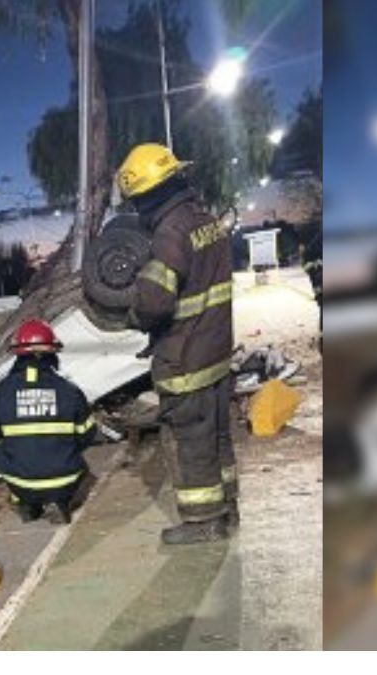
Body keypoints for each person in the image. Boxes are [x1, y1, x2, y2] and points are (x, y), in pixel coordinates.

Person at [116, 143, 236, 545]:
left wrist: (131, 314)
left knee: (189, 441)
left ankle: (203, 521)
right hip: (217, 352)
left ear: (146, 195)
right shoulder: (206, 220)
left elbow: (153, 302)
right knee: (217, 435)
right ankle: (227, 505)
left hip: (185, 359)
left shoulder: (169, 233)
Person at [0, 319, 95, 525]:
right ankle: (60, 502)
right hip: (65, 480)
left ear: (17, 354)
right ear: (52, 353)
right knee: (75, 453)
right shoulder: (70, 391)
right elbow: (88, 434)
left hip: (20, 482)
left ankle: (24, 503)